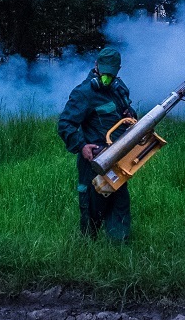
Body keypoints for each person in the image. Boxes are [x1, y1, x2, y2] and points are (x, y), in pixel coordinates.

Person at [57, 46, 136, 241]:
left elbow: (130, 115)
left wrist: (130, 115)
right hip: (94, 159)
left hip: (118, 157)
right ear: (96, 65)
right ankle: (88, 243)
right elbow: (65, 124)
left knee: (119, 200)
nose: (107, 76)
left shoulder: (119, 89)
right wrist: (81, 146)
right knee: (92, 203)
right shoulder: (84, 93)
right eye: (104, 71)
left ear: (118, 69)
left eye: (112, 72)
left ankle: (119, 245)